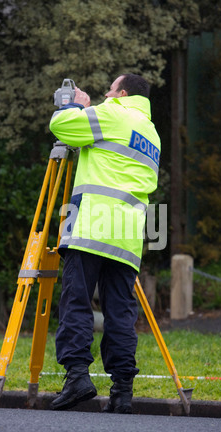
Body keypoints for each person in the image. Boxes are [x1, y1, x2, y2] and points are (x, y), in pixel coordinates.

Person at [49, 73, 161, 413]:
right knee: (120, 313)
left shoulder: (113, 112)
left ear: (122, 93)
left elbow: (62, 127)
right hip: (127, 236)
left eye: (110, 90)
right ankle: (122, 391)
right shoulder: (150, 132)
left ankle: (78, 376)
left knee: (77, 301)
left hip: (91, 226)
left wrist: (76, 105)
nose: (105, 94)